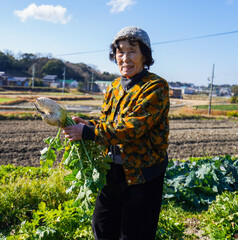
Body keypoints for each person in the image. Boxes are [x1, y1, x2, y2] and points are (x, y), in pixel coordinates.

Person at [63, 26, 169, 240]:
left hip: (142, 174)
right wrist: (88, 124)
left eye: (132, 51)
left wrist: (89, 133)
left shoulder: (156, 86)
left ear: (144, 55)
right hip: (111, 171)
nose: (125, 58)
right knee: (102, 228)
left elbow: (132, 127)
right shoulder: (113, 87)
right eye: (120, 52)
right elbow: (108, 123)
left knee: (134, 234)